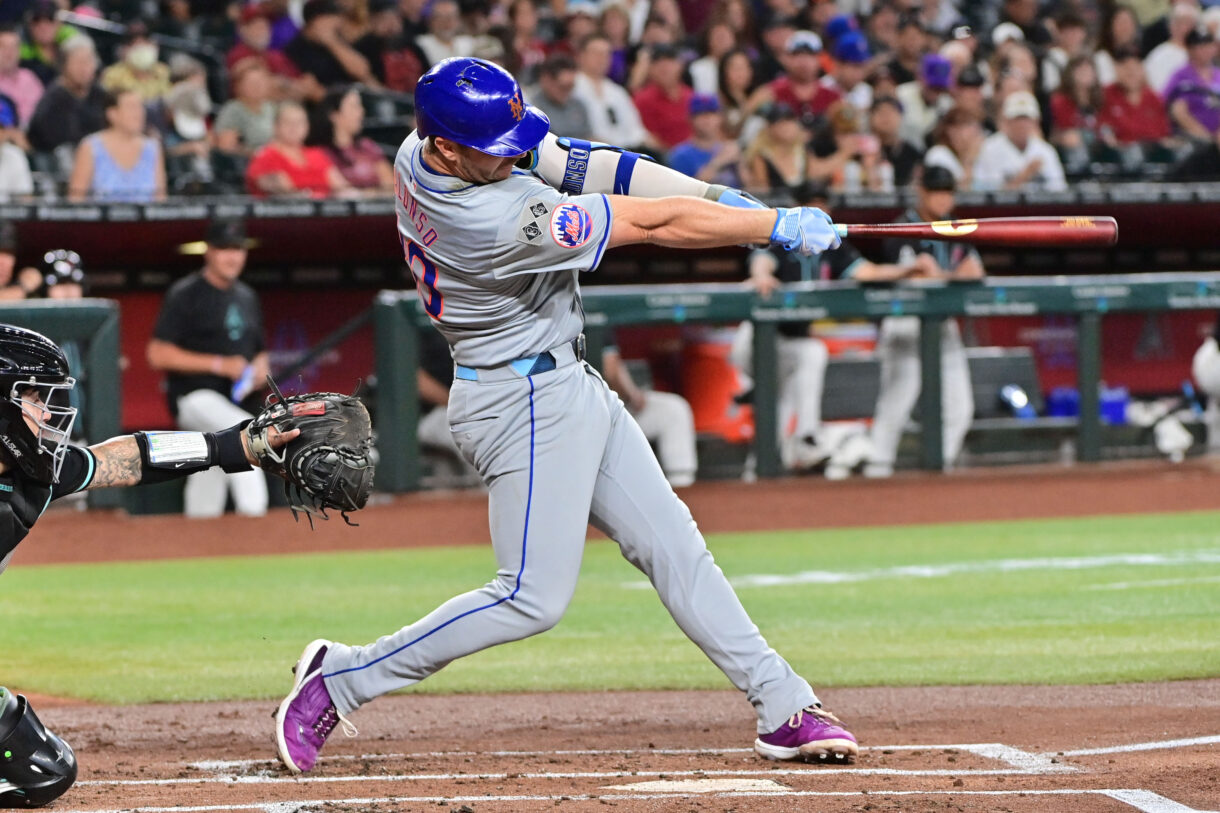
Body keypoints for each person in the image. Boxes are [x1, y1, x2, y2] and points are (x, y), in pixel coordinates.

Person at [273, 56, 858, 776]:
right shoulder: (497, 219)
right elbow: (654, 221)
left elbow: (588, 162)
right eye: (497, 148)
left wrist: (718, 197)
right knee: (529, 597)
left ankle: (783, 702)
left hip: (563, 381)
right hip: (516, 403)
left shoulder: (423, 148)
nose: (516, 155)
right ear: (449, 148)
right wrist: (765, 224)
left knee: (674, 545)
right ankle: (342, 677)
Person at [0, 323, 297, 809]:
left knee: (43, 769)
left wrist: (230, 447)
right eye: (33, 398)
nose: (48, 412)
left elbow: (127, 459)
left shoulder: (33, 474)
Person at [730, 181, 918, 472]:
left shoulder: (831, 245)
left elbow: (867, 272)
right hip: (756, 340)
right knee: (801, 367)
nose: (818, 208)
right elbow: (761, 261)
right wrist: (761, 275)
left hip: (792, 345)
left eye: (821, 202)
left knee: (792, 387)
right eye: (810, 203)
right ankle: (792, 431)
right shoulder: (781, 232)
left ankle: (769, 464)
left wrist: (909, 269)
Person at [146, 219, 273, 519]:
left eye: (238, 249)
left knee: (207, 468)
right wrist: (218, 364)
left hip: (235, 397)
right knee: (246, 433)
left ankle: (199, 544)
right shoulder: (186, 293)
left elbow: (260, 352)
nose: (233, 257)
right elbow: (157, 354)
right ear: (209, 252)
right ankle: (256, 524)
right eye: (224, 249)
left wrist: (257, 369)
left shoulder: (246, 296)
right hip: (194, 396)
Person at [864, 165, 983, 478]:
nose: (943, 199)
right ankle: (878, 471)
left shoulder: (958, 228)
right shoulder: (902, 227)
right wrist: (951, 277)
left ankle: (938, 470)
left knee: (960, 409)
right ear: (921, 191)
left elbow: (975, 273)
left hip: (942, 325)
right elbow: (916, 282)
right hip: (905, 325)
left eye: (948, 192)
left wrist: (943, 276)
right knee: (896, 406)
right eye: (936, 191)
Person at [600, 340, 697, 488]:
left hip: (581, 414)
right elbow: (611, 369)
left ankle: (681, 484)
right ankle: (681, 487)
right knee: (675, 411)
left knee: (674, 410)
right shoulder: (587, 321)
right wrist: (633, 396)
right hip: (601, 414)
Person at [67, 88, 166, 202]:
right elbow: (75, 199)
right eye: (131, 107)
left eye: (140, 107)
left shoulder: (153, 148)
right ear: (112, 114)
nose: (139, 113)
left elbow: (160, 200)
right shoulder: (90, 147)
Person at [245, 101, 351, 197]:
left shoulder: (316, 154)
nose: (294, 127)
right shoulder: (265, 156)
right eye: (288, 122)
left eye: (300, 122)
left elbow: (342, 187)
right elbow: (285, 193)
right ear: (276, 126)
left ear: (307, 126)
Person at [26, 34, 105, 155]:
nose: (84, 68)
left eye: (88, 61)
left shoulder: (101, 95)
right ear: (63, 65)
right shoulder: (53, 100)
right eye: (78, 62)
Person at [973, 90, 1067, 191]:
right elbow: (985, 193)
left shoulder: (1046, 151)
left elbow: (1059, 190)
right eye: (1017, 119)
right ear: (1006, 121)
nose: (1022, 124)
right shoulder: (990, 148)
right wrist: (1024, 176)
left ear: (1036, 122)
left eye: (1026, 119)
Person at [310, 84, 394, 192]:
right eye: (354, 106)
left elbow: (390, 184)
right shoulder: (320, 153)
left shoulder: (367, 146)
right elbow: (340, 191)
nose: (361, 111)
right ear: (334, 115)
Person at [666, 93, 739, 184]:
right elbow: (686, 190)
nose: (706, 119)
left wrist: (740, 162)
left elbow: (754, 188)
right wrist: (718, 162)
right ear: (690, 119)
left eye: (711, 113)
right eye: (700, 114)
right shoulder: (680, 155)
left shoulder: (730, 148)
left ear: (721, 117)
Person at [98, 20, 171, 105]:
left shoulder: (162, 71)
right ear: (124, 49)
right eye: (134, 43)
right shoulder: (112, 75)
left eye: (145, 41)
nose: (141, 47)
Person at [524, 53, 591, 141]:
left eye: (571, 87)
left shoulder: (578, 105)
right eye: (563, 87)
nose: (567, 92)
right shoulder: (531, 106)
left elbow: (588, 136)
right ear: (546, 80)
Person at [0, 24, 43, 130]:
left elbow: (43, 114)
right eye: (3, 47)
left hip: (31, 137)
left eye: (14, 47)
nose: (9, 53)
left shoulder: (29, 78)